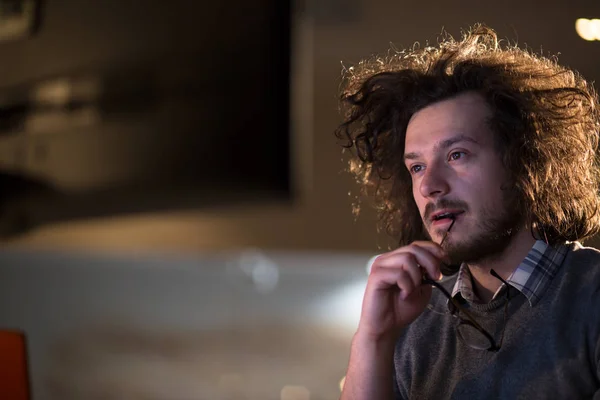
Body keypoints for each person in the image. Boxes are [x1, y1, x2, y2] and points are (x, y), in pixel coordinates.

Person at [334, 23, 600, 399]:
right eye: (417, 167)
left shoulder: (591, 297)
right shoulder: (413, 325)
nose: (429, 187)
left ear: (525, 161)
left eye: (456, 155)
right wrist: (374, 337)